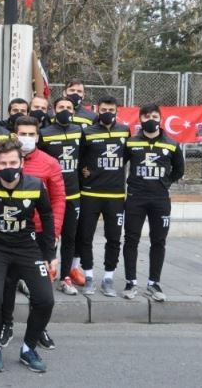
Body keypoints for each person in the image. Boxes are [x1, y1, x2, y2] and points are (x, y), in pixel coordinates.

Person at [0, 139, 56, 374]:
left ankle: (28, 349)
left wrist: (50, 254)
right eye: (3, 163)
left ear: (22, 162)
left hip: (27, 248)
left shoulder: (36, 185)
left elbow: (47, 216)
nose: (8, 167)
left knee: (45, 299)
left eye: (13, 162)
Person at [0, 116, 65, 350]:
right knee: (7, 283)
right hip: (10, 233)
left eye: (31, 134)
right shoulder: (5, 160)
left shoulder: (49, 163)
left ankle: (38, 328)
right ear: (14, 135)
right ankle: (5, 325)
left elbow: (58, 199)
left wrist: (53, 232)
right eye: (22, 134)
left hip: (39, 234)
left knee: (40, 287)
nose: (27, 138)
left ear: (38, 136)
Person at [122, 104, 184, 301]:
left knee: (158, 241)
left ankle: (153, 283)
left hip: (160, 200)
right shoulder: (131, 142)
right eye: (147, 116)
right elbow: (120, 164)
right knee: (131, 239)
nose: (151, 119)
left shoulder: (171, 144)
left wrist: (165, 182)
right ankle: (130, 282)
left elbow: (179, 170)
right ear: (140, 119)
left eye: (155, 116)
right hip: (135, 198)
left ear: (160, 119)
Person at [77, 95, 130, 297]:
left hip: (115, 194)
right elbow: (79, 157)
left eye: (111, 110)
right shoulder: (87, 132)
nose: (107, 113)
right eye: (104, 110)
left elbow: (127, 156)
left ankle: (108, 278)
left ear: (117, 111)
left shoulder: (124, 130)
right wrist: (84, 170)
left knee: (114, 238)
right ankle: (88, 276)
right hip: (90, 193)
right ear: (97, 110)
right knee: (85, 236)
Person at [39, 96, 85, 292]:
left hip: (73, 195)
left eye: (68, 107)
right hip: (51, 194)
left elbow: (84, 157)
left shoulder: (79, 131)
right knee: (50, 235)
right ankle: (49, 270)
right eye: (61, 107)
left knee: (70, 237)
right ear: (54, 110)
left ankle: (66, 276)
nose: (65, 110)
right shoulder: (44, 133)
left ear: (74, 111)